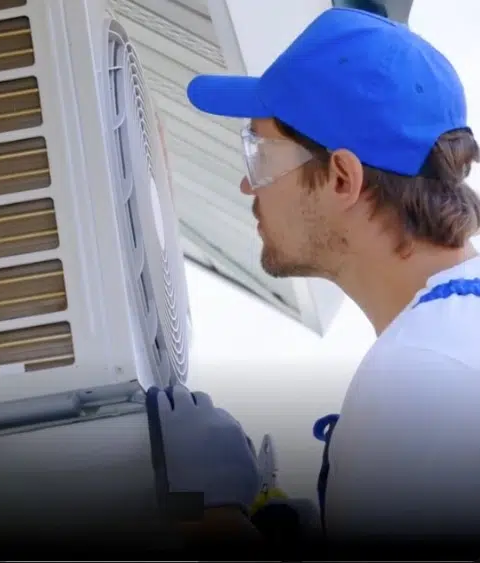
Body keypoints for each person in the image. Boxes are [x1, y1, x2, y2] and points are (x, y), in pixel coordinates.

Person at [145, 6, 480, 553]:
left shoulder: (419, 380)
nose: (246, 186)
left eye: (259, 154)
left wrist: (217, 521)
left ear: (342, 178)